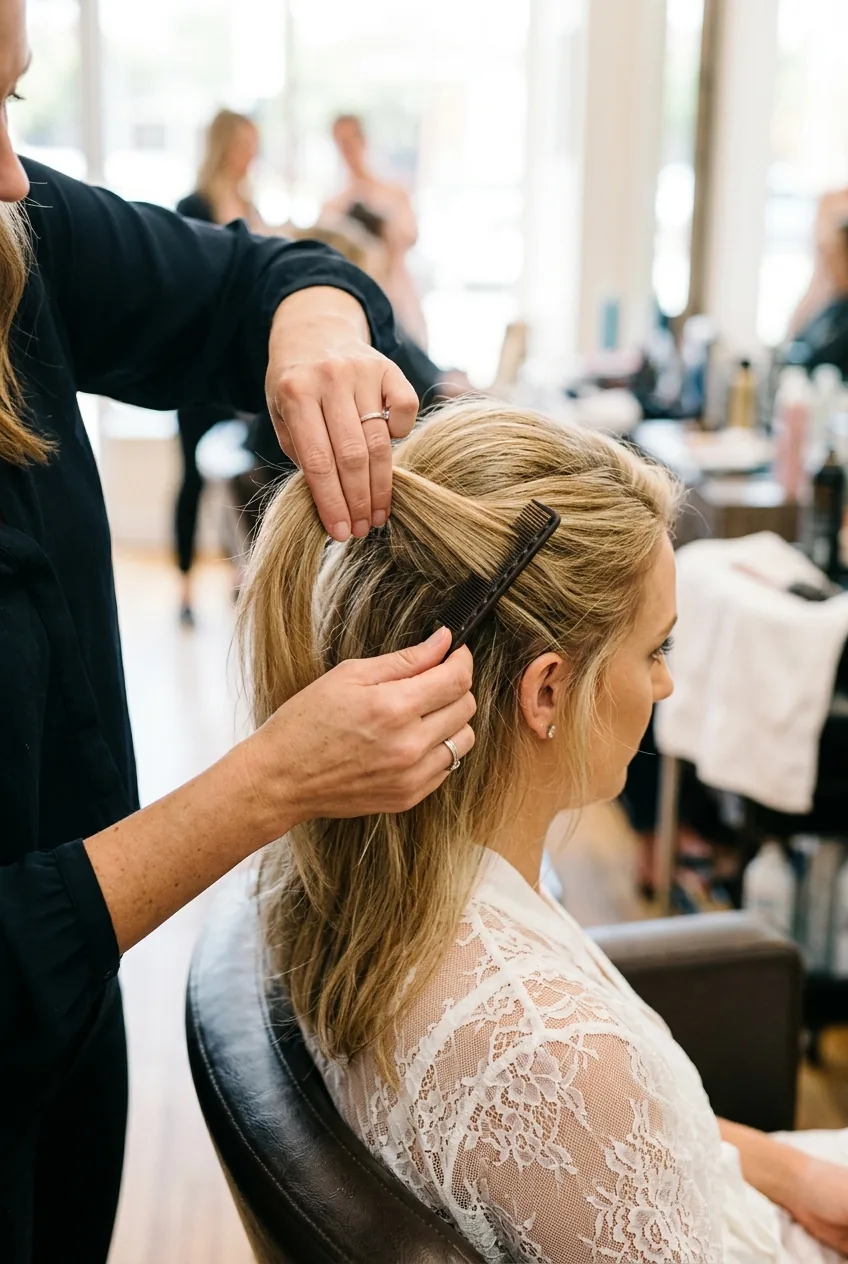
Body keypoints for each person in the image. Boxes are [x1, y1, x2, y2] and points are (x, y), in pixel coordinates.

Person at [0, 5, 477, 1260]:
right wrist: (272, 781)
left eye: (11, 102)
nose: (13, 174)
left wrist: (312, 318)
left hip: (65, 1054)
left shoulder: (15, 240)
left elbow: (253, 277)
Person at [244, 399, 848, 1264]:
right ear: (548, 693)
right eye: (655, 651)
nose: (666, 687)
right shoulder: (560, 1060)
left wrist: (791, 1172)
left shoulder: (348, 871)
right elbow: (601, 1123)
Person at [174, 110, 264, 624]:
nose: (251, 154)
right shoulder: (193, 205)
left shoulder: (251, 204)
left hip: (240, 370)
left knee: (245, 477)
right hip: (196, 370)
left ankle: (240, 577)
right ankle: (184, 588)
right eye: (245, 144)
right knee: (191, 476)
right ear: (226, 146)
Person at [322, 113, 428, 348]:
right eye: (341, 143)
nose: (347, 150)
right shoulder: (334, 204)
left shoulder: (394, 192)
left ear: (363, 141)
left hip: (396, 289)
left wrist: (380, 223)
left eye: (351, 141)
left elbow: (410, 237)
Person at [785, 222, 848, 380]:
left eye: (835, 254)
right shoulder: (831, 306)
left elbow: (820, 358)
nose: (828, 263)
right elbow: (796, 342)